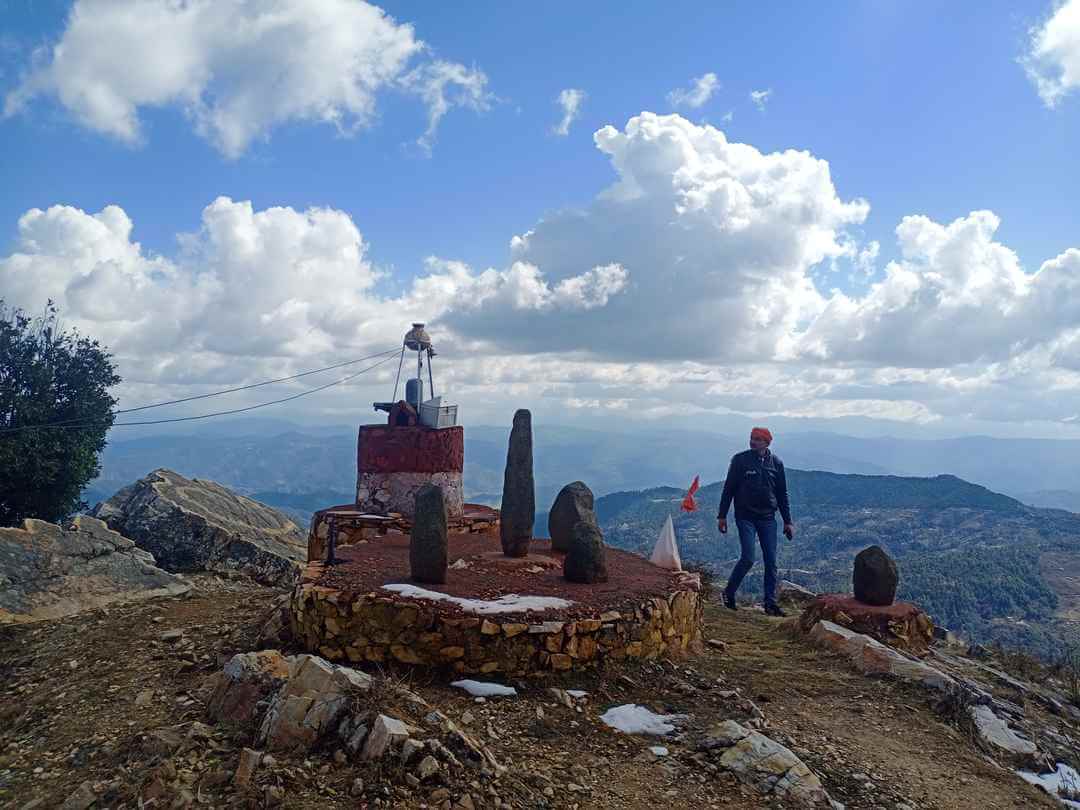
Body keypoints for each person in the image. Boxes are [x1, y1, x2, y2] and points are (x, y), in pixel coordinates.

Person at [716, 427, 795, 616]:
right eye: (752, 438)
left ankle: (770, 604)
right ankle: (728, 594)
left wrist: (788, 521)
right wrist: (722, 516)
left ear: (767, 442)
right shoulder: (740, 460)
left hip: (768, 517)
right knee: (748, 557)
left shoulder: (776, 463)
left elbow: (782, 493)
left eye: (758, 439)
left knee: (771, 561)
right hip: (745, 516)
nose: (753, 442)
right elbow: (729, 489)